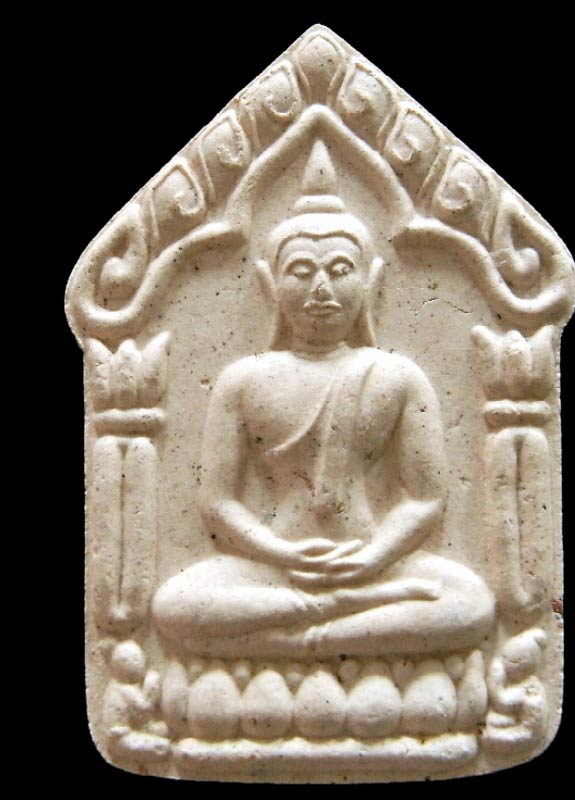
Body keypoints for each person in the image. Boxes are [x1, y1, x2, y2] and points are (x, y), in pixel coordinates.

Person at [153, 141, 494, 658]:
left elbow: (426, 499)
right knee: (174, 604)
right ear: (269, 285)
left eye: (338, 270)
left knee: (472, 602)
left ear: (370, 282)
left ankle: (310, 633)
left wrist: (374, 557)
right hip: (273, 568)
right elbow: (218, 502)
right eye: (300, 271)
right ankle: (344, 620)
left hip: (373, 563)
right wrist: (281, 554)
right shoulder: (242, 380)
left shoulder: (397, 376)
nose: (320, 290)